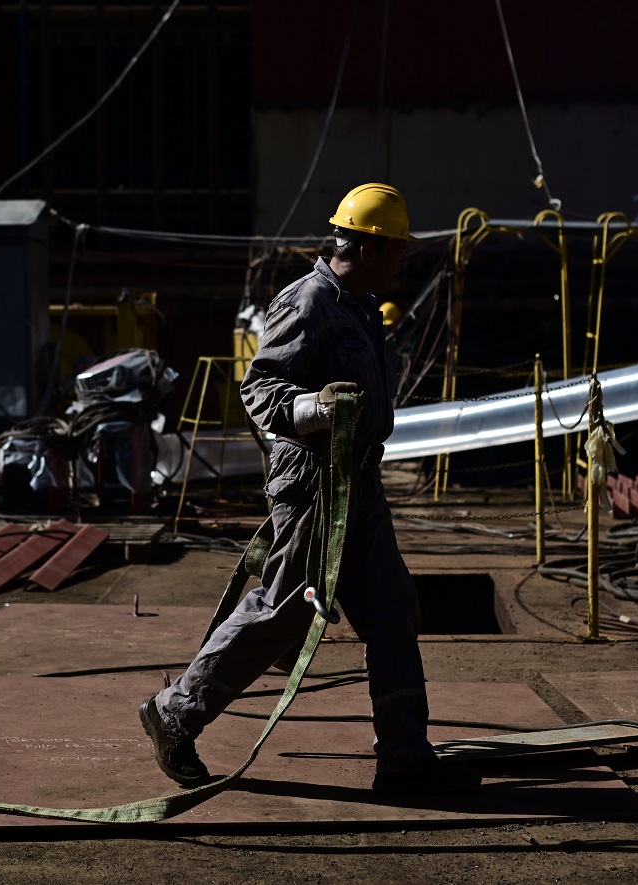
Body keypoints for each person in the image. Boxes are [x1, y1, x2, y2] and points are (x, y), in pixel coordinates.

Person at [140, 183, 481, 796]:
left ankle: (404, 758)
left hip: (359, 483)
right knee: (283, 611)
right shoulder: (309, 302)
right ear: (368, 249)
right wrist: (315, 409)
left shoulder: (362, 304)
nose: (404, 259)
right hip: (315, 485)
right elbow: (259, 390)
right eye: (398, 248)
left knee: (392, 611)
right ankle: (174, 713)